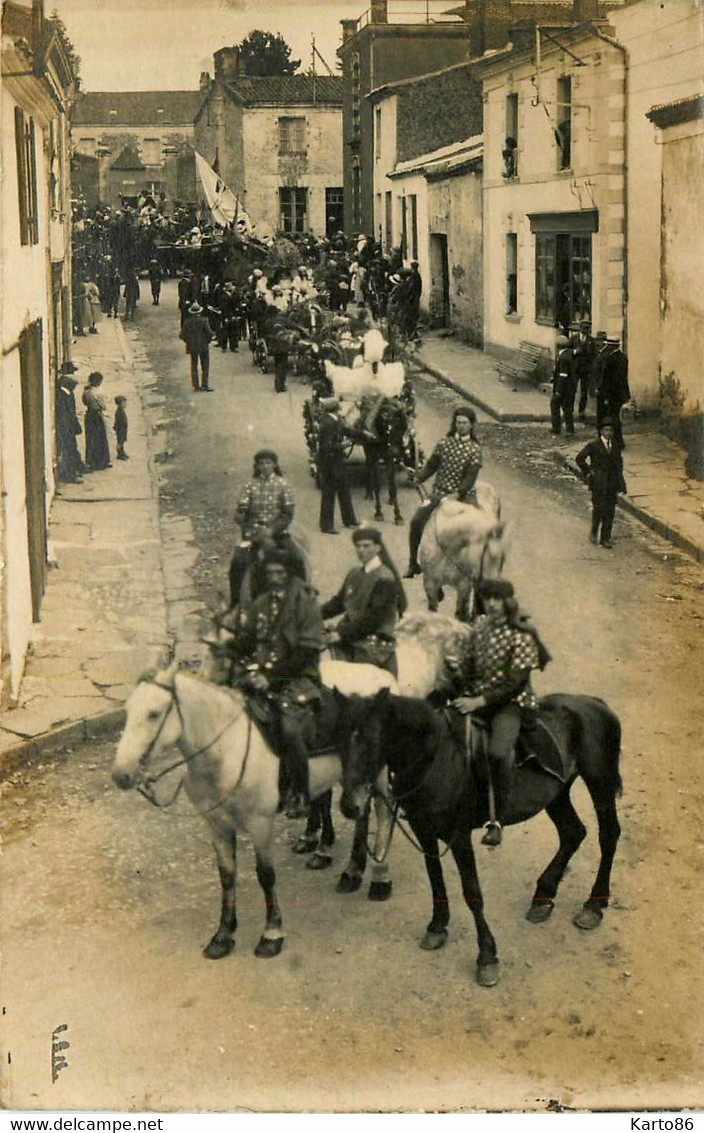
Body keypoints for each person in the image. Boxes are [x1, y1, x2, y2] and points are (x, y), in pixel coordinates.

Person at [452, 579, 551, 847]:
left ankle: (497, 820)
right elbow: (469, 662)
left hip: (511, 703)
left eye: (498, 599)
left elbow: (516, 681)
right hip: (477, 695)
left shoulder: (522, 632)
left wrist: (478, 702)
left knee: (497, 752)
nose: (493, 604)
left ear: (509, 601)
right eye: (488, 598)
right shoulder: (480, 625)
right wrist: (458, 671)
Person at [227, 548, 324, 819]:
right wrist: (227, 645)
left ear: (291, 573)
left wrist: (269, 677)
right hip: (262, 677)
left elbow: (305, 653)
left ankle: (300, 793)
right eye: (270, 573)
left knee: (289, 728)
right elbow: (248, 638)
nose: (274, 578)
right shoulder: (261, 603)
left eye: (280, 572)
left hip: (298, 678)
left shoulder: (306, 603)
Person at [405, 407, 482, 578]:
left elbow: (470, 477)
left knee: (476, 528)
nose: (461, 426)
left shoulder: (475, 450)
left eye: (465, 423)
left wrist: (457, 493)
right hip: (439, 493)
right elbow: (432, 465)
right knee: (417, 521)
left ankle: (475, 569)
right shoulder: (444, 443)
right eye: (458, 422)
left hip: (463, 496)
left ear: (471, 426)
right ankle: (412, 563)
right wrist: (419, 478)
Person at [322, 526, 407, 671]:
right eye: (358, 546)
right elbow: (338, 603)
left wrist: (341, 634)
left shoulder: (384, 578)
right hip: (353, 632)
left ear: (378, 548)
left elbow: (373, 619)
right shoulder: (354, 574)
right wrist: (310, 615)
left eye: (366, 546)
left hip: (374, 639)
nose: (361, 550)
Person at [229, 450, 296, 608]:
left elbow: (288, 514)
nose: (265, 466)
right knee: (237, 563)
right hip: (253, 533)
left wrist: (272, 530)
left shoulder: (283, 484)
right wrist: (241, 514)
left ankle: (300, 599)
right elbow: (241, 513)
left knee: (296, 557)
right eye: (261, 464)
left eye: (268, 463)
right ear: (257, 466)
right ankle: (235, 604)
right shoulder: (250, 485)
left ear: (274, 465)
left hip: (277, 533)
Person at [575, 419, 627, 549]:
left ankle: (606, 537)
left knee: (610, 510)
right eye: (606, 430)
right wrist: (589, 472)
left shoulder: (615, 445)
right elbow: (580, 458)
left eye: (611, 430)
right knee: (598, 508)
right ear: (600, 431)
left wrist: (621, 482)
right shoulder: (594, 445)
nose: (609, 433)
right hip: (598, 482)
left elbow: (619, 465)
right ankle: (594, 531)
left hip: (612, 482)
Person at [316, 398, 361, 534]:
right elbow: (326, 446)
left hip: (336, 462)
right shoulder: (329, 423)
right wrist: (343, 445)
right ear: (336, 409)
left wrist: (361, 434)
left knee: (344, 490)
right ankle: (327, 525)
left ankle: (350, 520)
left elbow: (346, 430)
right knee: (329, 494)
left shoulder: (334, 420)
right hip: (330, 463)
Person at [596, 337, 630, 450]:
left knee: (610, 418)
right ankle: (618, 441)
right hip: (620, 394)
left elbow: (607, 380)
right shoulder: (623, 358)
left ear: (611, 346)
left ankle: (614, 441)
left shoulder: (610, 359)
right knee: (616, 417)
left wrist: (605, 396)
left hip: (611, 394)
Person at [55, 363, 84, 483]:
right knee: (68, 451)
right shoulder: (62, 395)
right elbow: (65, 415)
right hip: (65, 428)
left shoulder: (68, 393)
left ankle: (75, 469)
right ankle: (69, 475)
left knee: (72, 449)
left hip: (69, 428)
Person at [180, 301, 213, 392]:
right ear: (199, 312)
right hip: (203, 346)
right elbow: (209, 333)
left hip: (192, 347)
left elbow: (182, 335)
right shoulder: (204, 321)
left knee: (194, 365)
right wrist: (208, 340)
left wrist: (188, 341)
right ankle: (205, 384)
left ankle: (196, 385)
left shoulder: (187, 322)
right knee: (205, 366)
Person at [82, 372, 111, 471]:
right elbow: (104, 406)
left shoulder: (86, 391)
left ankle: (91, 461)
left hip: (89, 414)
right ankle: (102, 462)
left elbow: (85, 402)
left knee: (91, 438)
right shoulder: (98, 393)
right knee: (100, 438)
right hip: (97, 416)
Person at [550, 335, 577, 436]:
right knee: (567, 408)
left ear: (558, 346)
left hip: (565, 388)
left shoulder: (563, 357)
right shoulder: (567, 355)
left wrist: (558, 391)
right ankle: (568, 429)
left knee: (557, 405)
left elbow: (563, 375)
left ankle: (558, 428)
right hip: (569, 387)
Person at [573, 320, 595, 421]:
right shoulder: (574, 338)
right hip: (575, 368)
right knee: (572, 390)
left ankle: (581, 412)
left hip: (586, 370)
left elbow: (594, 355)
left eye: (588, 328)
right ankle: (569, 411)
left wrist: (592, 368)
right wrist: (574, 352)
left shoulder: (591, 340)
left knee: (584, 392)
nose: (586, 330)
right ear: (580, 328)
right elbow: (567, 350)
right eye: (584, 328)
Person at [113, 395, 129, 460]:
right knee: (120, 442)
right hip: (120, 429)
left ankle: (122, 453)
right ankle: (120, 454)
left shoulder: (121, 410)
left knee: (122, 441)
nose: (125, 404)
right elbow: (118, 421)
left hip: (123, 429)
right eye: (123, 403)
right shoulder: (119, 412)